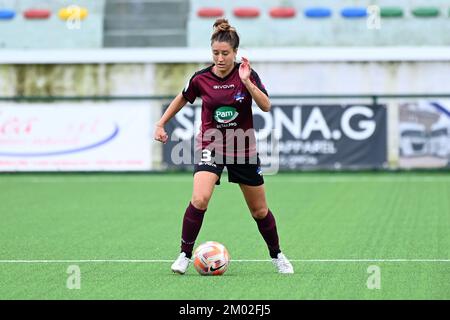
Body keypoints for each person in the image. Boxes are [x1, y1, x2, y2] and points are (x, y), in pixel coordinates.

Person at [154, 18, 294, 274]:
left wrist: (248, 82)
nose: (220, 58)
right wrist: (161, 123)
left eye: (225, 53)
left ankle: (277, 256)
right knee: (200, 198)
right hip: (211, 145)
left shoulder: (246, 74)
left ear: (235, 53)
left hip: (243, 148)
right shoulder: (201, 78)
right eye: (216, 53)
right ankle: (184, 255)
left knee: (260, 210)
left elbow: (266, 106)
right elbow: (182, 98)